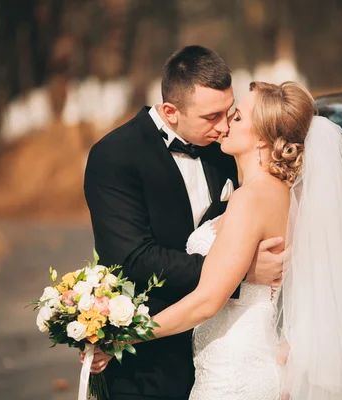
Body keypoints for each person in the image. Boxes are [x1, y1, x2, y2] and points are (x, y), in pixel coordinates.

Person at [88, 80, 342, 399]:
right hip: (252, 356)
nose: (224, 126)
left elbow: (206, 301)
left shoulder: (250, 199)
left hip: (234, 370)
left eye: (236, 117)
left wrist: (123, 335)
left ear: (263, 137)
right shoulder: (285, 196)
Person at [83, 46, 285, 400]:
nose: (223, 127)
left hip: (230, 352)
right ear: (170, 111)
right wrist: (239, 271)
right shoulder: (114, 156)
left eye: (230, 112)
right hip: (148, 365)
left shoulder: (227, 150)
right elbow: (133, 259)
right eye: (211, 117)